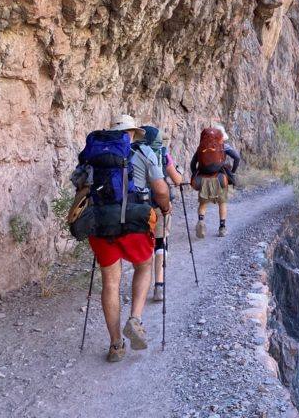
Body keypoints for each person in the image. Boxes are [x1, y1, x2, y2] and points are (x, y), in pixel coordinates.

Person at [73, 114, 171, 362]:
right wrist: (166, 208)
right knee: (144, 266)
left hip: (101, 224)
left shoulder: (93, 154)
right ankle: (135, 318)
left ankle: (115, 345)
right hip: (135, 223)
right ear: (131, 133)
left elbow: (79, 186)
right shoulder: (143, 152)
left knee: (110, 282)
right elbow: (160, 189)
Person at [140, 125, 184, 303]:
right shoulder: (163, 153)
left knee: (142, 243)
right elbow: (177, 180)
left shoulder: (132, 152)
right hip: (158, 204)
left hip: (136, 207)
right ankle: (159, 285)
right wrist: (178, 170)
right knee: (160, 241)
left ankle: (142, 279)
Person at [191, 123, 241, 238]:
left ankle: (201, 222)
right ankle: (222, 228)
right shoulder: (224, 146)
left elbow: (193, 163)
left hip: (203, 179)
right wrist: (232, 172)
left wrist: (195, 173)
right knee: (222, 203)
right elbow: (237, 157)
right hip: (220, 178)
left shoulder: (201, 147)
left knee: (203, 203)